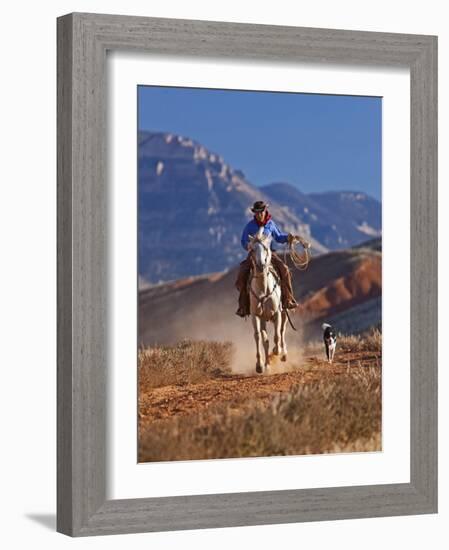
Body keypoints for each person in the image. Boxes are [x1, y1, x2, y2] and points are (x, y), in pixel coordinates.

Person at [235, 200, 309, 318]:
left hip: (269, 254)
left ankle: (287, 300)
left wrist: (288, 238)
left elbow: (278, 237)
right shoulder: (250, 226)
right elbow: (243, 240)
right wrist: (247, 246)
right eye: (257, 213)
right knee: (242, 273)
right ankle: (243, 306)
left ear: (265, 211)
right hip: (254, 254)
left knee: (284, 270)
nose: (259, 215)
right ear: (254, 213)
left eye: (261, 212)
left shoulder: (270, 224)